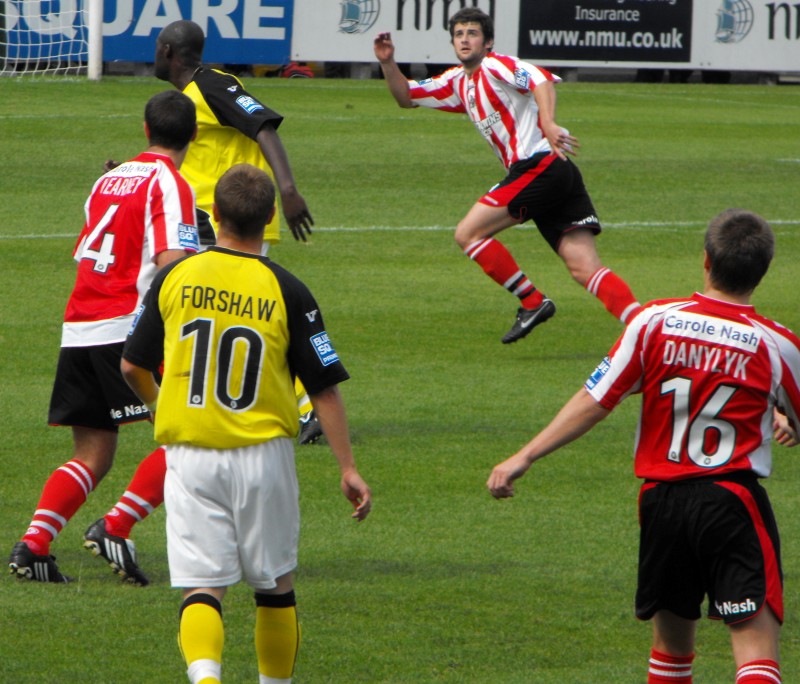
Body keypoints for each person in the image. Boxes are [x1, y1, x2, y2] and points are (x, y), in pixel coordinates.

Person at [487, 209, 800, 683]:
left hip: (662, 503)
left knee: (671, 652)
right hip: (730, 502)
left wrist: (524, 455)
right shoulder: (777, 344)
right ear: (763, 271)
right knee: (755, 653)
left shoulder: (654, 321)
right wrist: (780, 418)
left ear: (706, 262)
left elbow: (597, 399)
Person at [120, 163, 372, 684]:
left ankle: (206, 679)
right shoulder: (288, 289)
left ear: (213, 215)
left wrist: (160, 405)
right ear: (270, 216)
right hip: (264, 459)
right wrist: (347, 467)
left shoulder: (175, 276)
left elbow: (131, 365)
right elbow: (323, 387)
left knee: (201, 588)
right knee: (275, 586)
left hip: (189, 456)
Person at [7, 90, 200, 584]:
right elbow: (170, 267)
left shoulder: (106, 179)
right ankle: (116, 525)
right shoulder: (172, 183)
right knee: (187, 437)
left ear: (144, 129)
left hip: (79, 327)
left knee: (93, 453)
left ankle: (33, 546)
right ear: (194, 136)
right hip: (127, 331)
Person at [373, 8, 641, 344]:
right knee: (583, 267)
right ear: (453, 43)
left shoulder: (494, 65)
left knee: (468, 234)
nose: (465, 39)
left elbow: (540, 79)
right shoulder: (458, 82)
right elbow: (406, 97)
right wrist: (387, 62)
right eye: (459, 34)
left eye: (472, 33)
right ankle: (644, 326)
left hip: (539, 165)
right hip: (554, 172)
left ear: (488, 42)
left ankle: (532, 301)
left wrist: (549, 122)